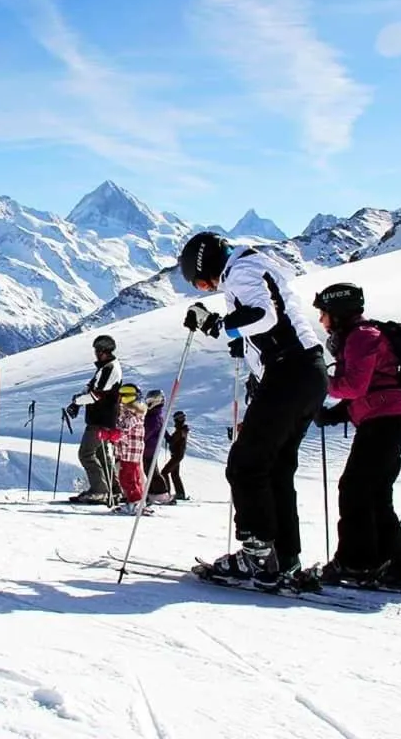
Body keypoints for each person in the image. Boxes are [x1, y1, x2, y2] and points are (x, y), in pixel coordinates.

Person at [179, 231, 327, 584]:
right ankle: (283, 559)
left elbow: (264, 316)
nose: (206, 288)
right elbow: (271, 318)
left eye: (200, 281)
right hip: (309, 372)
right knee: (275, 469)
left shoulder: (241, 272)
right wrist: (242, 341)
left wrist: (221, 325)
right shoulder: (256, 265)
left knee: (245, 464)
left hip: (288, 372)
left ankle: (257, 555)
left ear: (207, 265)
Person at [312, 283, 401, 588]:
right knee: (375, 493)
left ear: (338, 312)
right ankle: (391, 564)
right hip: (390, 417)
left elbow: (354, 386)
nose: (322, 322)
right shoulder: (361, 336)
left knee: (354, 489)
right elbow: (371, 389)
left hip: (385, 420)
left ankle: (356, 563)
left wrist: (319, 380)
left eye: (324, 314)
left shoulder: (362, 336)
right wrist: (335, 415)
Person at [65, 334, 122, 504]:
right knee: (101, 454)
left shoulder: (110, 368)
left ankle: (99, 491)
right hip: (103, 418)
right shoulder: (106, 367)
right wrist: (78, 401)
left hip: (100, 419)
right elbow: (91, 387)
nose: (96, 354)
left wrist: (77, 402)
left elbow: (97, 394)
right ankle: (114, 489)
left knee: (86, 453)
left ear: (105, 351)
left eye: (98, 351)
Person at [111, 383, 151, 515]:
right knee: (130, 477)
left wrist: (112, 435)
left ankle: (135, 503)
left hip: (130, 451)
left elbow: (124, 429)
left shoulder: (135, 413)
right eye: (121, 394)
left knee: (128, 478)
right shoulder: (127, 412)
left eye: (126, 394)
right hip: (126, 451)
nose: (122, 397)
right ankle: (135, 502)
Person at [142, 389, 172, 504]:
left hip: (149, 448)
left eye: (150, 399)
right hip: (148, 448)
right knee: (149, 470)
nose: (147, 402)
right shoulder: (153, 414)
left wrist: (141, 439)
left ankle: (161, 493)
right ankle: (154, 492)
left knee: (151, 471)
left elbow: (147, 432)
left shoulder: (154, 417)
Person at [161, 410, 190, 501]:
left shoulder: (181, 430)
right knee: (174, 474)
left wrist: (163, 432)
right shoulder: (182, 430)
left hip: (177, 455)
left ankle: (167, 492)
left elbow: (171, 440)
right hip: (178, 455)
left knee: (164, 472)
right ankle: (180, 493)